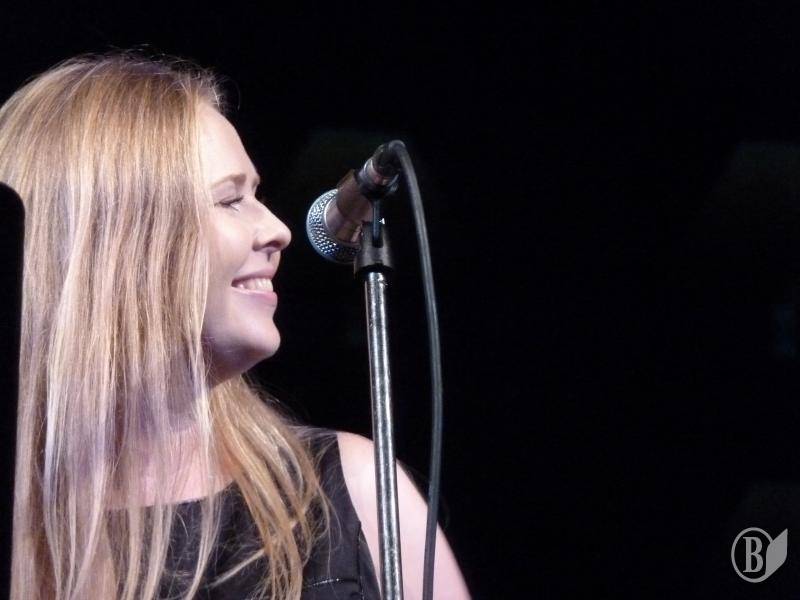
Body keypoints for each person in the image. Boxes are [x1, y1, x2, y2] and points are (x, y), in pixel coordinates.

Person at [0, 53, 471, 599]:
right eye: (230, 200)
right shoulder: (21, 533)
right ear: (115, 243)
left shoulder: (354, 493)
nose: (278, 230)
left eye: (257, 196)